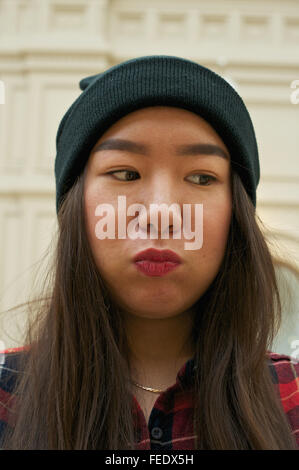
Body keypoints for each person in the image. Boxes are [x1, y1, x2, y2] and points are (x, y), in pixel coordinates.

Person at [0, 55, 298, 450]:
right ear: (76, 205)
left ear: (236, 214)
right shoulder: (8, 394)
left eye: (201, 177)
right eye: (125, 173)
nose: (161, 212)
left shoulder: (290, 399)